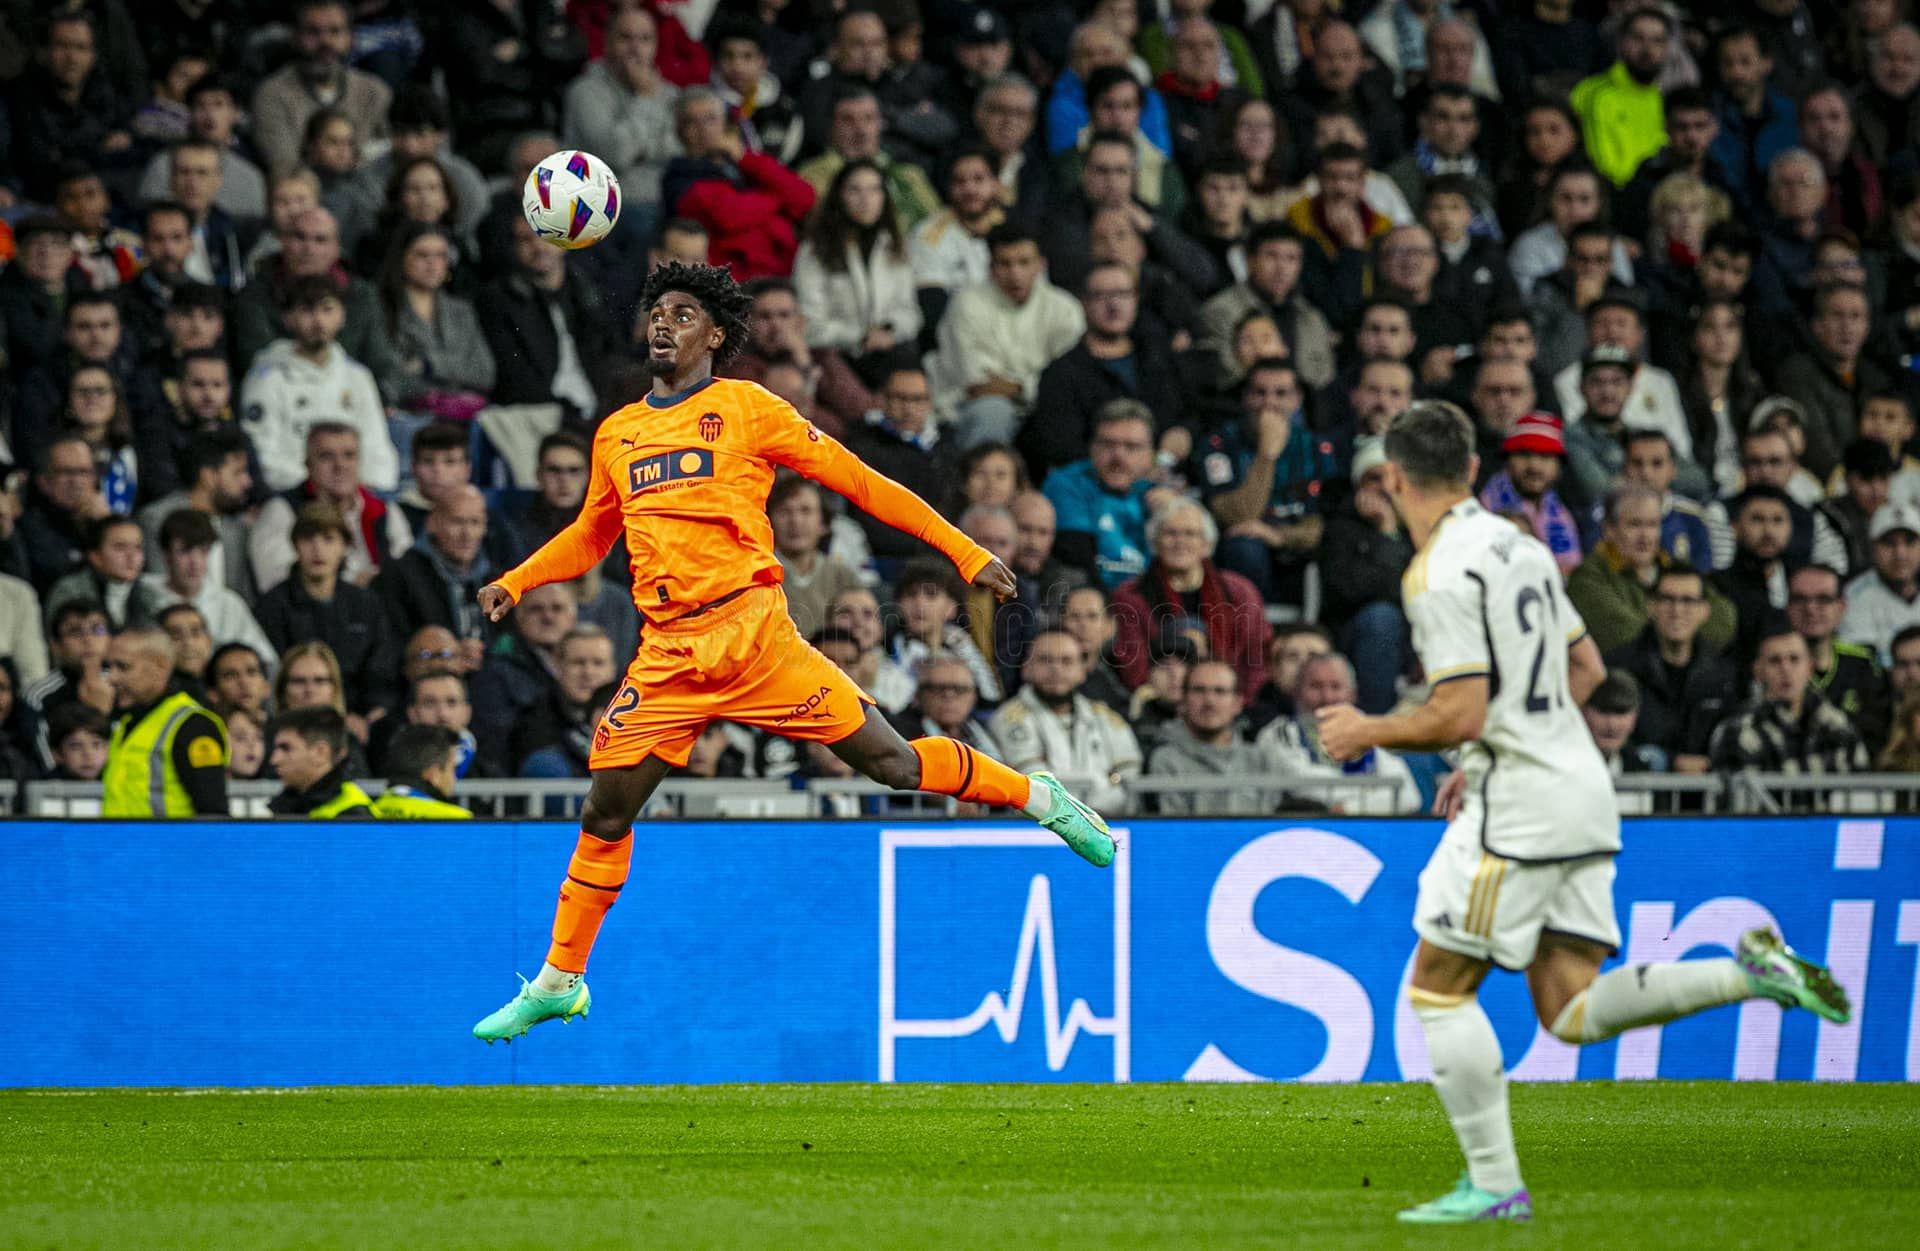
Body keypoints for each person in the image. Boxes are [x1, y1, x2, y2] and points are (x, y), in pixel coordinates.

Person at [469, 261, 1115, 1043]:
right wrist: (519, 578)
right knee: (605, 809)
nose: (663, 325)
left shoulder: (747, 408)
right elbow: (592, 536)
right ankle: (559, 980)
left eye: (682, 313)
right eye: (656, 313)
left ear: (715, 334)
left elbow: (862, 481)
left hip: (755, 637)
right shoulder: (619, 432)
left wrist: (963, 548)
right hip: (670, 653)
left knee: (896, 765)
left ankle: (1037, 796)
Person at [1314, 400, 1850, 1224]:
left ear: (1391, 479)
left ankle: (1493, 1184)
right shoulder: (1523, 548)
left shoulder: (1438, 569)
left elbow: (1457, 709)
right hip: (1581, 789)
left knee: (1437, 990)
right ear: (1469, 471)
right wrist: (1500, 745)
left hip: (1522, 808)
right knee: (1568, 1007)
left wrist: (1369, 726)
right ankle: (1751, 973)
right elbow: (1589, 668)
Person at [930, 224, 1085, 448]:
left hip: (1046, 405)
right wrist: (1033, 384)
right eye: (1005, 264)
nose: (1015, 274)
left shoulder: (1065, 309)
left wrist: (1020, 388)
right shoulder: (966, 304)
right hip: (972, 406)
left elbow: (1067, 379)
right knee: (993, 410)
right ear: (991, 267)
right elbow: (978, 383)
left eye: (1024, 262)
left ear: (1041, 265)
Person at [240, 276, 398, 493]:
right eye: (307, 311)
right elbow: (263, 454)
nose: (318, 321)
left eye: (327, 310)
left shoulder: (358, 377)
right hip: (294, 496)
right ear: (288, 318)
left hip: (355, 496)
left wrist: (363, 491)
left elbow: (376, 447)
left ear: (342, 316)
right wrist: (317, 489)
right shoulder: (267, 377)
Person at [1110, 497, 1271, 699]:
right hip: (1159, 705)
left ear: (1206, 544)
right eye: (1171, 533)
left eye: (1190, 534)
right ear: (1154, 541)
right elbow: (1132, 666)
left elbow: (1257, 658)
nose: (1180, 542)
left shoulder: (1240, 592)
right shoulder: (1129, 597)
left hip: (1230, 705)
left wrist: (1238, 704)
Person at [988, 628, 1142, 813]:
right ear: (1026, 668)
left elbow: (1130, 780)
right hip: (1037, 830)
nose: (1056, 669)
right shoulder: (1007, 718)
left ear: (1082, 670)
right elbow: (1034, 786)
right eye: (1046, 660)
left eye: (1067, 661)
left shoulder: (1106, 717)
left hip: (1108, 824)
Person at [1604, 564, 1737, 774]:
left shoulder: (1724, 675)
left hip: (1705, 799)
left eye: (1688, 601)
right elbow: (1605, 734)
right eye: (1667, 599)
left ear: (1704, 611)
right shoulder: (1618, 668)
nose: (1677, 610)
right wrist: (1670, 762)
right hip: (1638, 793)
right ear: (1651, 606)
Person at [1258, 650, 1421, 814]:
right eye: (1315, 686)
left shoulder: (1370, 731)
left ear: (1352, 695)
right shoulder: (1277, 734)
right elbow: (1305, 787)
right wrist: (1374, 790)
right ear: (1297, 692)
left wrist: (1347, 808)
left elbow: (1409, 797)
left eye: (1336, 687)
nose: (1327, 697)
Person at [1709, 624, 1872, 780]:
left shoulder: (1838, 726)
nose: (1786, 669)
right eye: (1775, 661)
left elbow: (1861, 794)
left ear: (1809, 668)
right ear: (1758, 672)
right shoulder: (1737, 731)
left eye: (1794, 659)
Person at [99, 623, 229, 817]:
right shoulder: (127, 722)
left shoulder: (193, 726)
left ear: (160, 666)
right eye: (109, 667)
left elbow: (213, 815)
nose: (112, 678)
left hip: (168, 847)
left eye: (123, 667)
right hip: (125, 846)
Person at [250, 0, 392, 177]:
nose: (325, 41)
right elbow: (284, 166)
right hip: (300, 198)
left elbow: (387, 161)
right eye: (313, 32)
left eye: (335, 31)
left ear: (350, 38)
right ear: (295, 38)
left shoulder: (374, 92)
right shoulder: (272, 95)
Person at [1146, 658, 1274, 816]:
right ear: (1183, 701)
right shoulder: (1165, 759)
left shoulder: (1258, 759)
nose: (1209, 701)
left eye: (1220, 691)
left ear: (1238, 703)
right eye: (1199, 690)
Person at [1841, 503, 1920, 662]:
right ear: (1872, 548)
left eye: (1909, 543)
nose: (1900, 554)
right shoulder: (1855, 596)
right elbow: (1860, 665)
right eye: (1889, 543)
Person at [267, 705, 374, 817]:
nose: (274, 760)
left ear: (320, 753)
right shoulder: (290, 803)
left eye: (286, 748)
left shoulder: (353, 816)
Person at [368, 723, 471, 819]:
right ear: (433, 775)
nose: (454, 778)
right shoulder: (458, 821)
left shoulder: (368, 813)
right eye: (452, 768)